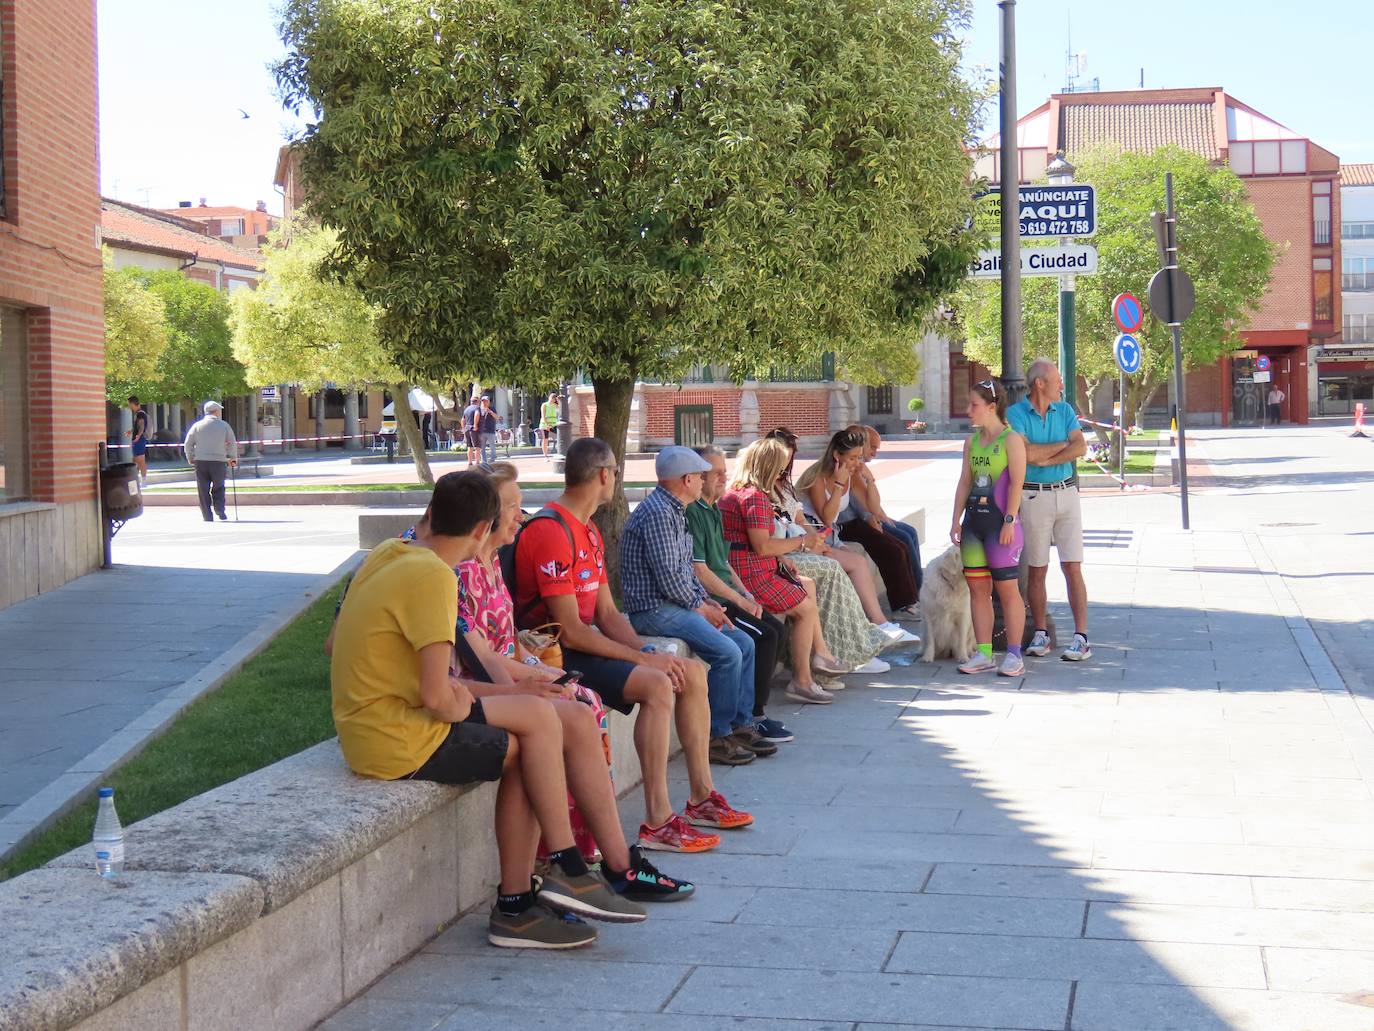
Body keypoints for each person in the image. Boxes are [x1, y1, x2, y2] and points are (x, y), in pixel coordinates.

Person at [330, 471, 646, 948]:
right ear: (482, 530)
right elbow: (440, 698)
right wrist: (504, 701)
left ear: (430, 513)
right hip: (396, 740)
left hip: (372, 727)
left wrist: (503, 699)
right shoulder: (436, 577)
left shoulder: (389, 554)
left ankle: (531, 899)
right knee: (535, 726)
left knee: (539, 726)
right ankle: (561, 871)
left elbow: (380, 664)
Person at [447, 464, 694, 903]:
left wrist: (545, 675)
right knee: (576, 705)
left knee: (585, 700)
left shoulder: (489, 565)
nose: (520, 517)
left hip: (510, 677)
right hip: (481, 691)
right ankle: (578, 860)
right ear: (484, 518)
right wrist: (541, 682)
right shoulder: (464, 572)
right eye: (511, 507)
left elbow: (511, 645)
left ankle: (594, 856)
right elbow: (484, 660)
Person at [513, 437, 753, 852]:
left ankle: (701, 797)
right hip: (551, 655)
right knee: (657, 685)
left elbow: (606, 616)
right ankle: (658, 821)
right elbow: (569, 631)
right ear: (604, 475)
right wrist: (641, 659)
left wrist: (648, 653)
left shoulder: (587, 531)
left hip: (583, 643)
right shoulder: (553, 531)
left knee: (690, 671)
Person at [621, 447, 776, 767]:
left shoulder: (674, 509)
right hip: (654, 610)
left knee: (744, 643)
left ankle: (739, 724)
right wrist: (701, 608)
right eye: (701, 475)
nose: (706, 480)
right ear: (686, 479)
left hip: (675, 604)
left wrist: (704, 603)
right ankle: (715, 736)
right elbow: (668, 577)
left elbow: (684, 571)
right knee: (729, 652)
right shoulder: (659, 514)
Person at [719, 437, 849, 704]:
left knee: (806, 586)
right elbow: (762, 545)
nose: (782, 472)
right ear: (768, 466)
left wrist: (782, 556)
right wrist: (803, 542)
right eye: (779, 466)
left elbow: (753, 542)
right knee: (804, 606)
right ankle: (802, 680)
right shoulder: (755, 497)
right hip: (751, 571)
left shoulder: (738, 491)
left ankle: (816, 661)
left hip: (748, 564)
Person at [764, 428, 897, 672]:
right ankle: (855, 648)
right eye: (785, 459)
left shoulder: (782, 485)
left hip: (808, 541)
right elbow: (819, 520)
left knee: (884, 546)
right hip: (784, 554)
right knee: (837, 569)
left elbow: (800, 520)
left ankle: (863, 639)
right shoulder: (768, 488)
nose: (788, 465)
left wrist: (869, 479)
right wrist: (809, 541)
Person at [687, 445, 792, 744]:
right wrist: (737, 599)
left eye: (724, 471)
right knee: (762, 636)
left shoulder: (713, 509)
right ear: (698, 476)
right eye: (716, 473)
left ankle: (753, 714)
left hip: (730, 593)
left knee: (776, 629)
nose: (723, 477)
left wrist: (746, 592)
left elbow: (723, 562)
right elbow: (702, 571)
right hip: (715, 599)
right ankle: (751, 717)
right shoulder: (693, 512)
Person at [1007, 358, 1091, 662]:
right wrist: (1057, 448)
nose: (1062, 385)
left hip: (1067, 493)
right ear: (1039, 383)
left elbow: (1080, 447)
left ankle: (1081, 638)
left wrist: (1044, 458)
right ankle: (1041, 633)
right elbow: (1025, 453)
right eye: (1057, 380)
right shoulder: (1015, 414)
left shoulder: (1066, 410)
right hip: (1033, 497)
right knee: (1037, 569)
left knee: (1073, 566)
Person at [798, 429, 921, 634]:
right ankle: (872, 623)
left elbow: (872, 507)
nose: (857, 463)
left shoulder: (852, 476)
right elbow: (827, 517)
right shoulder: (817, 477)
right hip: (811, 534)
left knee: (885, 548)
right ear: (837, 456)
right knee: (862, 559)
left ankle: (877, 622)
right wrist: (838, 484)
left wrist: (870, 480)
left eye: (859, 457)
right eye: (853, 458)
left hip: (829, 535)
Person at [949, 379, 1027, 676]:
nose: (968, 411)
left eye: (974, 405)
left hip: (1000, 526)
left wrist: (1009, 519)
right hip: (974, 524)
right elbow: (965, 482)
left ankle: (1015, 654)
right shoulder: (971, 442)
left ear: (992, 408)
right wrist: (955, 518)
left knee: (1007, 589)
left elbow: (1017, 483)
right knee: (977, 589)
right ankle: (983, 653)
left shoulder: (1011, 440)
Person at [845, 424, 923, 611]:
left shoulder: (859, 467)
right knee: (899, 543)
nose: (874, 452)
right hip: (850, 523)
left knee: (909, 532)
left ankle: (918, 591)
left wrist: (881, 515)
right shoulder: (852, 468)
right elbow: (862, 505)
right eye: (871, 446)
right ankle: (908, 602)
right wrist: (874, 518)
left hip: (863, 518)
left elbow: (871, 503)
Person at [183, 400, 238, 523]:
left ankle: (207, 515)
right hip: (218, 461)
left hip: (201, 461)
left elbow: (188, 443)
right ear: (216, 411)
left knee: (203, 489)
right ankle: (220, 510)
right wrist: (232, 458)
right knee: (219, 486)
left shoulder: (197, 426)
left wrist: (190, 457)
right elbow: (232, 443)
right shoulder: (224, 425)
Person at [124, 396, 150, 484]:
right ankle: (136, 480)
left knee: (140, 460)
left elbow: (141, 425)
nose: (129, 407)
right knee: (135, 461)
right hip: (138, 439)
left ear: (132, 404)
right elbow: (137, 426)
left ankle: (144, 481)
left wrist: (138, 436)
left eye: (129, 405)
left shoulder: (140, 414)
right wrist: (130, 431)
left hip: (139, 440)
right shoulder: (138, 414)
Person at [477, 396, 499, 468]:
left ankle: (492, 459)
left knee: (492, 446)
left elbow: (497, 418)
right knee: (482, 447)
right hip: (482, 431)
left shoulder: (492, 409)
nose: (484, 402)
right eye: (483, 401)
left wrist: (490, 412)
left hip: (490, 431)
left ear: (489, 401)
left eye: (486, 401)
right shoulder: (480, 409)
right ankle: (484, 461)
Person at [462, 394, 481, 467]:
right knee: (477, 447)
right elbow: (477, 414)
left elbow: (463, 420)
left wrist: (463, 428)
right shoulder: (477, 408)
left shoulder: (466, 409)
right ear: (477, 401)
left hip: (467, 428)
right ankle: (477, 462)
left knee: (469, 447)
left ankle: (470, 462)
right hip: (473, 429)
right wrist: (475, 425)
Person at [539, 392, 560, 458]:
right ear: (549, 398)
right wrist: (547, 425)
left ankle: (560, 451)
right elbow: (543, 415)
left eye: (554, 399)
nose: (553, 400)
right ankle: (545, 455)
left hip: (554, 424)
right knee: (545, 439)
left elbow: (561, 407)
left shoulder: (555, 405)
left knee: (560, 436)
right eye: (552, 398)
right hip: (545, 424)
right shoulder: (544, 405)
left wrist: (558, 400)